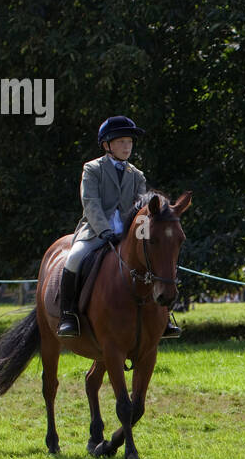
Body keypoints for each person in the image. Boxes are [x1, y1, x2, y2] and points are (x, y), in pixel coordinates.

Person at [59, 116, 180, 339]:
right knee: (74, 258)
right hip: (96, 230)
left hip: (128, 234)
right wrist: (104, 230)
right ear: (107, 145)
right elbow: (91, 203)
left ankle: (165, 315)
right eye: (121, 142)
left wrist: (143, 235)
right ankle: (68, 315)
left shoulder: (137, 175)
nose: (127, 147)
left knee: (157, 259)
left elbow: (144, 209)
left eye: (130, 142)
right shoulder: (93, 169)